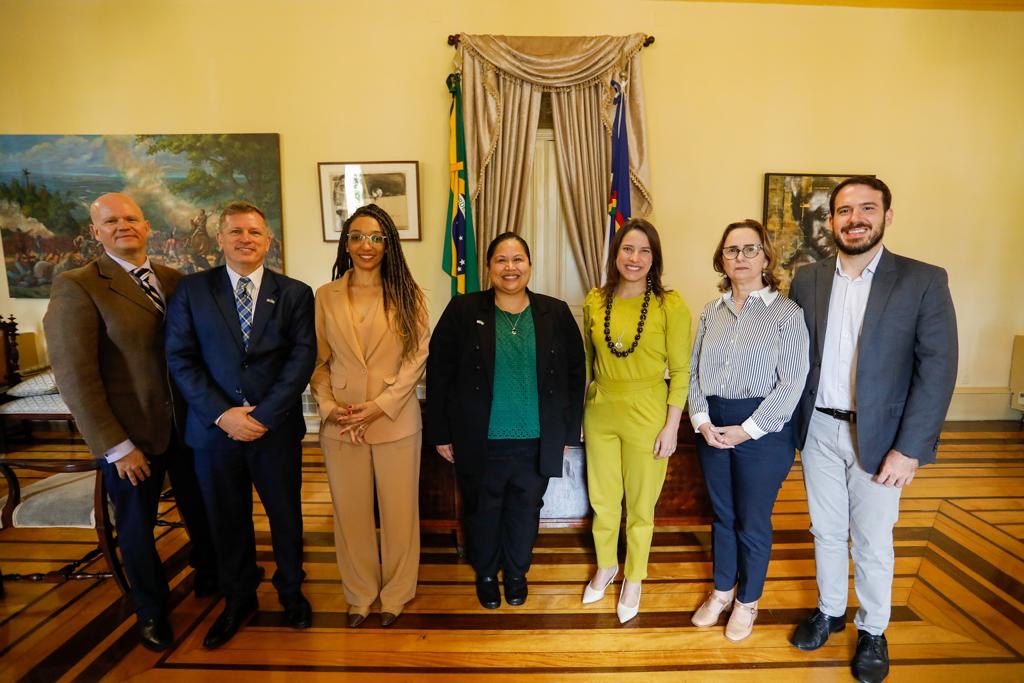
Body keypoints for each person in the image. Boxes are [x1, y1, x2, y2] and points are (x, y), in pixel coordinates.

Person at [788, 177, 958, 683]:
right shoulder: (807, 279)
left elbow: (938, 368)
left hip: (882, 438)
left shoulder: (922, 280)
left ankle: (874, 628)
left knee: (872, 538)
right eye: (844, 210)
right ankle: (830, 610)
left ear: (887, 216)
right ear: (831, 220)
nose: (854, 218)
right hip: (818, 428)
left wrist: (910, 449)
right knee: (824, 530)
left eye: (867, 208)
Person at [43, 192, 216, 652]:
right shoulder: (78, 285)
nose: (123, 226)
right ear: (96, 231)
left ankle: (210, 578)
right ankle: (152, 611)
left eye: (131, 219)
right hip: (130, 436)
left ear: (147, 227)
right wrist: (115, 445)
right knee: (137, 528)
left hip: (189, 429)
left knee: (201, 510)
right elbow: (75, 376)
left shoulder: (174, 279)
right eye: (111, 221)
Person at [165, 201, 316, 649]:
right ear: (221, 239)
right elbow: (181, 358)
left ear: (268, 240)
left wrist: (264, 415)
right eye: (235, 232)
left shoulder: (295, 293)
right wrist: (223, 414)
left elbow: (301, 357)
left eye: (254, 232)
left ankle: (291, 593)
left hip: (276, 430)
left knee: (286, 518)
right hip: (214, 432)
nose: (245, 239)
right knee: (227, 520)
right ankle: (239, 599)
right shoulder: (192, 291)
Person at [426, 233, 585, 609]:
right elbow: (439, 372)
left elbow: (574, 374)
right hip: (480, 438)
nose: (510, 268)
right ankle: (485, 574)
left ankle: (516, 573)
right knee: (482, 510)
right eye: (501, 260)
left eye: (517, 259)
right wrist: (441, 432)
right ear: (489, 267)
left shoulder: (556, 312)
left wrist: (566, 430)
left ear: (530, 265)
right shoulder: (463, 310)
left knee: (526, 510)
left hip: (536, 437)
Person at [687, 219, 809, 641]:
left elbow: (793, 381)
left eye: (749, 249)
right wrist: (702, 421)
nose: (740, 257)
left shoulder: (787, 314)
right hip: (713, 425)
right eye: (731, 250)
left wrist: (748, 429)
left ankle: (747, 602)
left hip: (765, 429)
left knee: (752, 519)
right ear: (721, 259)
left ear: (766, 256)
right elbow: (693, 373)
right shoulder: (710, 311)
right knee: (722, 516)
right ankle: (722, 591)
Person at [310, 204, 429, 629]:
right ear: (346, 241)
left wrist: (380, 405)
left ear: (388, 244)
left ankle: (396, 594)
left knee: (399, 515)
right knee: (350, 513)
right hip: (341, 425)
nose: (367, 245)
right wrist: (328, 410)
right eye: (358, 236)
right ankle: (359, 594)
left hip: (394, 421)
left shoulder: (408, 293)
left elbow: (418, 357)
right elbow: (318, 362)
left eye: (377, 237)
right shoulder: (324, 296)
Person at [581, 218, 691, 623]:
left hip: (648, 410)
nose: (635, 258)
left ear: (654, 259)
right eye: (628, 248)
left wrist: (671, 425)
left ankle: (634, 576)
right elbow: (589, 362)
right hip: (601, 410)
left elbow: (681, 371)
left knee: (641, 504)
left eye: (645, 251)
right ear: (616, 253)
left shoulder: (670, 305)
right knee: (603, 500)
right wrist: (583, 409)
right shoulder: (595, 300)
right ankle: (607, 565)